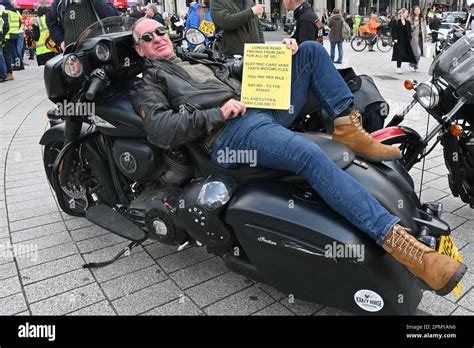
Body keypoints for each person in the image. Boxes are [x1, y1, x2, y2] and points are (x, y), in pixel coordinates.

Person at [131, 18, 466, 297]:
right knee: (309, 154)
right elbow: (160, 128)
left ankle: (350, 130)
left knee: (309, 51)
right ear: (139, 49)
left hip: (257, 109)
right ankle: (408, 251)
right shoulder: (151, 79)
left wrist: (278, 54)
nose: (157, 37)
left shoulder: (194, 57)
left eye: (160, 31)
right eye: (147, 37)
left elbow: (238, 67)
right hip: (230, 134)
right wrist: (217, 114)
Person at [47, 0, 120, 51]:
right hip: (72, 54)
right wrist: (61, 41)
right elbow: (51, 22)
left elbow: (114, 17)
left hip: (98, 50)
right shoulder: (60, 3)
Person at [391, 8, 416, 74]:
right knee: (400, 53)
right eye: (406, 13)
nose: (407, 14)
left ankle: (412, 65)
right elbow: (393, 30)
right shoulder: (396, 21)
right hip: (398, 40)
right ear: (402, 13)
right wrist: (395, 38)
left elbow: (409, 30)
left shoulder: (407, 22)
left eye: (407, 13)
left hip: (406, 41)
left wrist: (410, 38)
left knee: (407, 53)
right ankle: (398, 68)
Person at [2, 0, 23, 71]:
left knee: (11, 51)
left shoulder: (6, 12)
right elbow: (20, 23)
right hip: (15, 33)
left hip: (8, 34)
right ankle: (19, 65)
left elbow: (5, 25)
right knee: (15, 50)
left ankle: (18, 66)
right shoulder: (16, 12)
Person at [408, 5, 428, 72]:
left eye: (418, 9)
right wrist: (414, 25)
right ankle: (411, 64)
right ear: (413, 11)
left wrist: (426, 37)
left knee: (420, 53)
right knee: (418, 53)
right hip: (414, 38)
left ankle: (415, 66)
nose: (417, 11)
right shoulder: (410, 18)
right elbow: (408, 28)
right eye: (416, 10)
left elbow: (425, 28)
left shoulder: (422, 18)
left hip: (421, 37)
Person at [0, 4, 9, 81]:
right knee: (1, 57)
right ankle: (4, 75)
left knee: (1, 57)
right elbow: (6, 28)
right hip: (1, 37)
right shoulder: (2, 19)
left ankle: (3, 76)